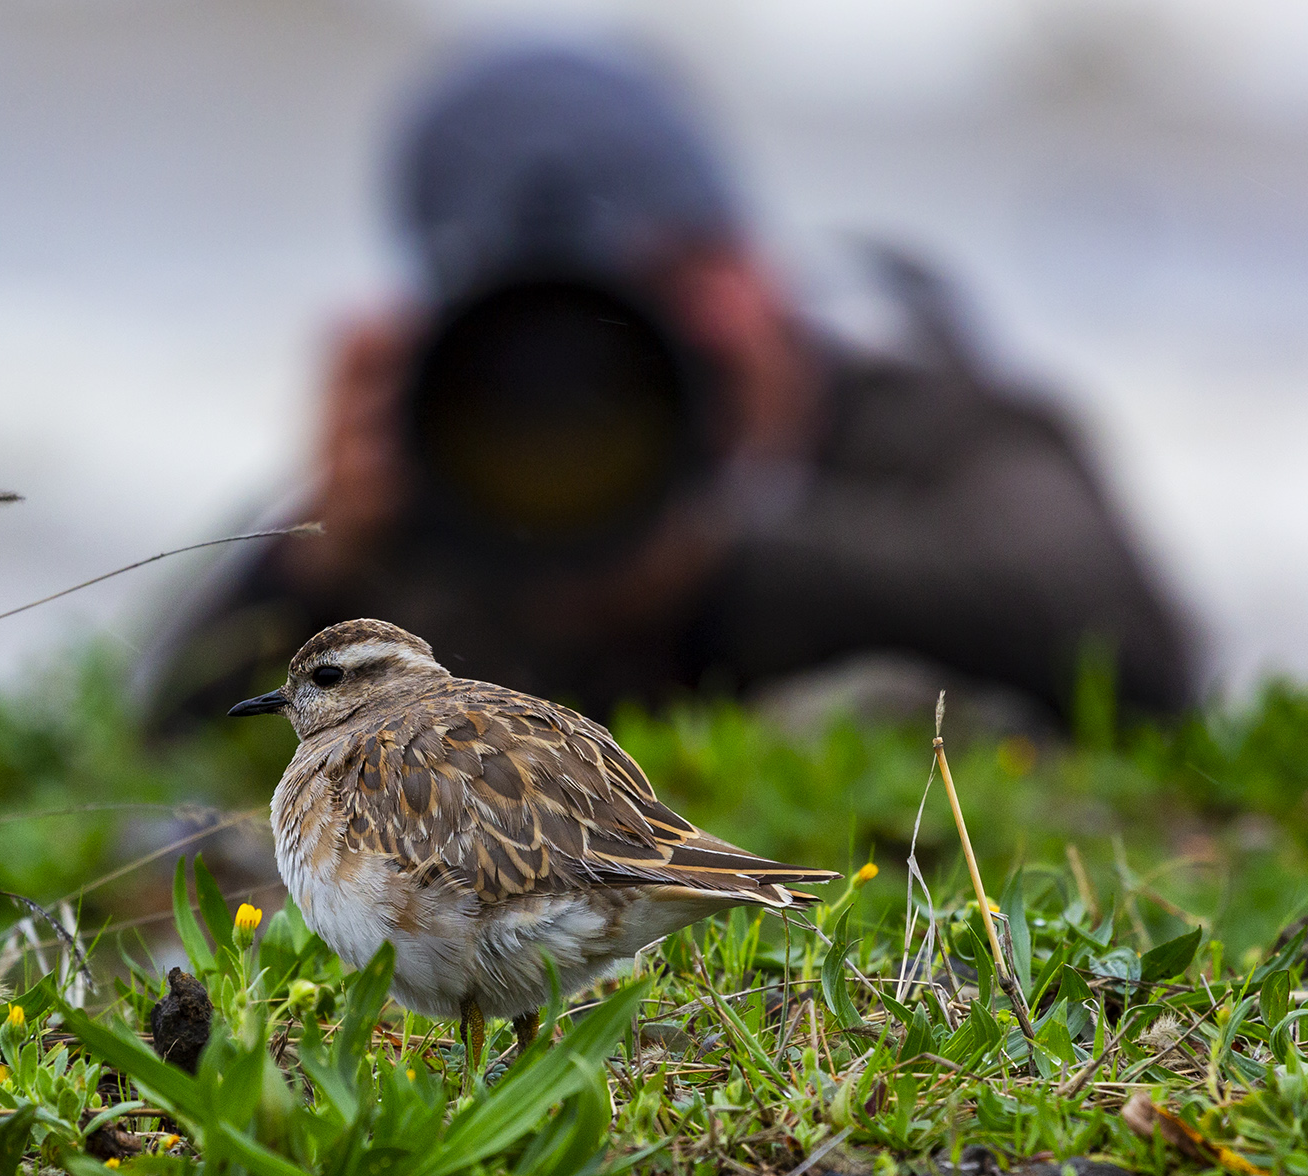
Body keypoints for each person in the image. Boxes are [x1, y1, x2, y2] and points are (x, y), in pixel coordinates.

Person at [141, 43, 1192, 733]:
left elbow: (1135, 646)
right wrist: (317, 550)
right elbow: (170, 722)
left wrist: (713, 573)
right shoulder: (450, 481)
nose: (590, 395)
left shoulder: (919, 415)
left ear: (757, 261)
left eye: (673, 280)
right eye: (554, 337)